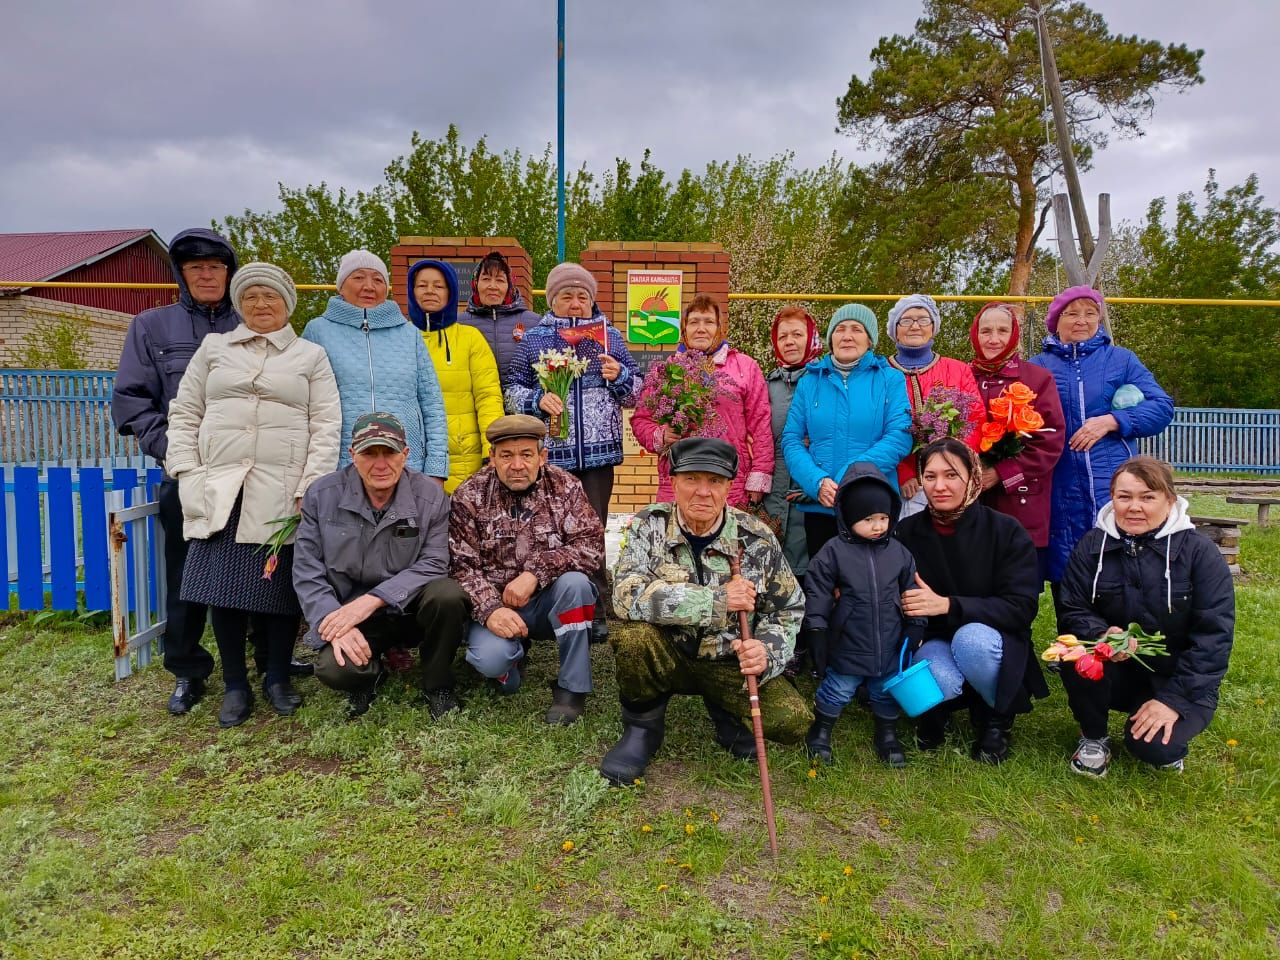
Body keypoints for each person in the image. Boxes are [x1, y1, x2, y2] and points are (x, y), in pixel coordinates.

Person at [165, 263, 341, 727]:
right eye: (252, 297)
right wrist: (185, 468)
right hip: (220, 487)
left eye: (271, 297)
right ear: (240, 303)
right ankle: (236, 686)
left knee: (279, 590)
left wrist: (312, 484)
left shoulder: (309, 356)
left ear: (288, 304)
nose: (261, 305)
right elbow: (185, 411)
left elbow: (326, 424)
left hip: (281, 488)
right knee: (223, 592)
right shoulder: (214, 348)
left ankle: (277, 677)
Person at [600, 438, 810, 786]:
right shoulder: (648, 525)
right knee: (633, 638)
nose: (703, 492)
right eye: (692, 479)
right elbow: (625, 595)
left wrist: (767, 651)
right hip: (669, 653)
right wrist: (714, 602)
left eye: (715, 481)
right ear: (675, 482)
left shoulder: (756, 537)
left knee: (792, 721)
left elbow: (787, 608)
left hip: (728, 661)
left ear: (730, 486)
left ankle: (725, 710)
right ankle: (642, 727)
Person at [112, 228, 242, 715]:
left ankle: (263, 660)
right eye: (195, 267)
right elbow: (131, 402)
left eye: (215, 266)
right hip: (186, 477)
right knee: (186, 577)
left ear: (228, 272)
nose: (207, 274)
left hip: (250, 476)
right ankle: (188, 669)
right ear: (181, 274)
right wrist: (175, 452)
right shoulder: (152, 327)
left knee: (257, 571)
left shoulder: (251, 320)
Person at [1056, 457, 1234, 777]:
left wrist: (1173, 700)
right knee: (1075, 653)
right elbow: (1072, 609)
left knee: (1156, 750)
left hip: (1178, 675)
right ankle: (1093, 737)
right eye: (1124, 497)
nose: (1134, 507)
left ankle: (1162, 724)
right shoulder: (1091, 547)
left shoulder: (1200, 554)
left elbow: (1213, 637)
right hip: (1119, 670)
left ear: (1169, 499)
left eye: (1147, 497)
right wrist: (1101, 634)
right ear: (1112, 498)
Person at [292, 412, 472, 720]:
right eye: (368, 453)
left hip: (409, 610)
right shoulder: (321, 496)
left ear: (405, 454)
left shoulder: (431, 497)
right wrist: (333, 623)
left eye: (389, 452)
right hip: (350, 615)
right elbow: (307, 571)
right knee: (333, 669)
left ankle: (438, 684)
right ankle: (369, 676)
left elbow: (435, 563)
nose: (380, 464)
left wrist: (372, 600)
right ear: (352, 455)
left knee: (448, 595)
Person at [505, 261, 639, 641]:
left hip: (599, 456)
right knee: (550, 532)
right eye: (567, 295)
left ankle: (595, 609)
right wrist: (536, 399)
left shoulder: (609, 337)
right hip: (553, 457)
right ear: (552, 299)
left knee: (593, 530)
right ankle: (554, 604)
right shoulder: (535, 338)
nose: (575, 303)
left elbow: (639, 394)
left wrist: (622, 377)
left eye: (582, 296)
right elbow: (510, 391)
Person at [894, 438, 1047, 764]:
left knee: (971, 639)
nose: (940, 486)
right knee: (940, 681)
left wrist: (949, 605)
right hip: (934, 638)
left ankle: (995, 717)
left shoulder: (1005, 531)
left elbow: (1022, 608)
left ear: (973, 478)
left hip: (992, 637)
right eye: (930, 476)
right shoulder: (907, 532)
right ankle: (942, 709)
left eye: (951, 475)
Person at [449, 415, 606, 725]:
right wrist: (491, 609)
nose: (517, 464)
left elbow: (591, 546)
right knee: (491, 661)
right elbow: (460, 566)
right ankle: (511, 661)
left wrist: (535, 573)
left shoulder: (565, 486)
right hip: (495, 605)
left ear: (542, 456)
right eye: (506, 455)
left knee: (576, 585)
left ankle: (571, 688)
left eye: (526, 454)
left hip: (548, 602)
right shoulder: (470, 494)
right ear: (492, 457)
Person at [1029, 285, 1174, 587]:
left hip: (1112, 477)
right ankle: (1071, 632)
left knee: (1119, 561)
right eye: (1072, 314)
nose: (1081, 320)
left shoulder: (1120, 360)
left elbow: (1161, 407)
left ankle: (1122, 632)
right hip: (1059, 481)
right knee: (1066, 563)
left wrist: (1113, 420)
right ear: (1056, 320)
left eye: (1090, 313)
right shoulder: (1038, 366)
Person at [801, 463, 926, 767]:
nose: (878, 526)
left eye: (883, 518)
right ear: (848, 516)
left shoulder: (899, 553)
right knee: (838, 687)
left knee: (885, 690)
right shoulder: (833, 552)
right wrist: (816, 630)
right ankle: (821, 729)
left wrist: (916, 626)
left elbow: (911, 591)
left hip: (890, 640)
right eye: (868, 519)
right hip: (849, 641)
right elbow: (817, 593)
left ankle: (886, 733)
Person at [301, 249, 449, 482]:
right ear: (341, 285)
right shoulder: (318, 330)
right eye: (358, 277)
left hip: (406, 464)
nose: (369, 286)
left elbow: (432, 403)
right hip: (340, 464)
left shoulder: (409, 333)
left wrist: (436, 468)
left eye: (378, 279)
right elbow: (304, 404)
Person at [781, 303, 913, 558]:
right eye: (840, 329)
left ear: (870, 339)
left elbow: (899, 436)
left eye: (857, 329)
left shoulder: (890, 380)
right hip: (822, 505)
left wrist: (850, 476)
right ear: (831, 338)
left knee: (873, 585)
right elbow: (791, 439)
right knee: (826, 586)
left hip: (873, 505)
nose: (847, 336)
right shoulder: (810, 383)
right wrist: (815, 481)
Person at [631, 295, 774, 508]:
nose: (701, 328)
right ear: (684, 329)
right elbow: (641, 419)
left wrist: (759, 476)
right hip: (679, 478)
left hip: (728, 478)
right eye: (694, 322)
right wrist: (661, 435)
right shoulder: (666, 370)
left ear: (719, 328)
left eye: (708, 322)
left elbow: (760, 424)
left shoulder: (745, 367)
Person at [968, 302, 1066, 577]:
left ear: (1014, 335)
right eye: (986, 331)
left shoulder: (1036, 378)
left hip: (1020, 500)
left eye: (1002, 330)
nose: (994, 339)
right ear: (975, 334)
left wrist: (1001, 472)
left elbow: (1050, 440)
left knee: (1017, 585)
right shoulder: (963, 377)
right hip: (970, 499)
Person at [406, 258, 504, 493]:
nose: (430, 291)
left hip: (464, 464)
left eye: (438, 286)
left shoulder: (470, 338)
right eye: (422, 285)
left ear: (450, 292)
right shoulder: (400, 338)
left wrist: (492, 449)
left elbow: (488, 398)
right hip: (411, 462)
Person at [886, 294, 985, 517]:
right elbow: (874, 427)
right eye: (906, 320)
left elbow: (975, 420)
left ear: (933, 327)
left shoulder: (958, 370)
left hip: (951, 480)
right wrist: (902, 471)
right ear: (895, 329)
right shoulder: (882, 372)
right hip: (899, 484)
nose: (914, 326)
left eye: (923, 319)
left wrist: (950, 468)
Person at [762, 305, 824, 580]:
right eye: (783, 336)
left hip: (811, 486)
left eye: (797, 335)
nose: (790, 342)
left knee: (812, 568)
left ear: (811, 338)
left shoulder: (825, 380)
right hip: (774, 487)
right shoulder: (768, 384)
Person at [458, 250, 543, 392]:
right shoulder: (458, 324)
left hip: (522, 411)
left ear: (509, 285)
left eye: (500, 280)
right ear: (475, 283)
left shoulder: (534, 322)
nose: (493, 286)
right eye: (486, 279)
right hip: (475, 409)